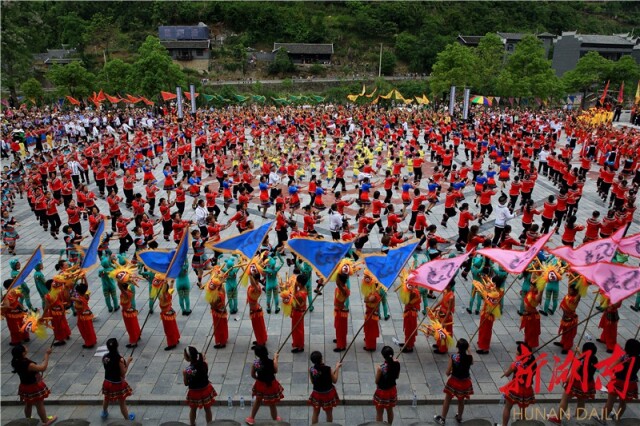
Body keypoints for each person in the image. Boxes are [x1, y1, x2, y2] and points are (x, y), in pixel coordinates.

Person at [548, 342, 598, 425]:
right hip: (588, 383)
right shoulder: (594, 359)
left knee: (565, 399)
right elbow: (587, 359)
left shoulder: (580, 361)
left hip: (576, 383)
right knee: (581, 401)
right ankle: (576, 418)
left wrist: (566, 380)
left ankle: (558, 419)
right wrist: (579, 352)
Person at [11, 344, 56, 425]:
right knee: (39, 404)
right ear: (23, 353)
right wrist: (47, 355)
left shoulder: (16, 361)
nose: (25, 346)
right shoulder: (29, 365)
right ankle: (45, 421)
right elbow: (43, 368)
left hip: (24, 386)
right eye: (24, 348)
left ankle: (28, 420)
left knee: (28, 404)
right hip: (33, 387)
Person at [435, 338, 474, 425]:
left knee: (447, 399)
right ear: (466, 347)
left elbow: (447, 373)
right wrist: (469, 351)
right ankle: (459, 417)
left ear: (457, 347)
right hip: (465, 382)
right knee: (461, 401)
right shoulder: (469, 358)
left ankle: (443, 418)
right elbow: (472, 362)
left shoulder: (453, 357)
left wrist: (452, 370)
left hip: (454, 381)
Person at [602, 338, 640, 422]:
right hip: (630, 383)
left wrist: (619, 358)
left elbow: (611, 367)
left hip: (618, 382)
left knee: (610, 402)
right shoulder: (638, 358)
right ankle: (618, 418)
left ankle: (603, 419)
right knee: (623, 403)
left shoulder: (624, 358)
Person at [500, 342, 537, 426]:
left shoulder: (516, 364)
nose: (516, 354)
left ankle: (504, 425)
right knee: (522, 409)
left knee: (507, 407)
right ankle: (522, 423)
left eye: (517, 352)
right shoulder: (533, 362)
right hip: (527, 389)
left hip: (515, 388)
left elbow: (507, 374)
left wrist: (506, 372)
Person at [246, 345, 284, 425]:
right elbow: (275, 370)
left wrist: (257, 379)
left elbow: (252, 374)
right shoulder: (271, 362)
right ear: (266, 352)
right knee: (272, 403)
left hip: (260, 384)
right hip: (270, 385)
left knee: (258, 401)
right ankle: (275, 419)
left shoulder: (256, 363)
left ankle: (251, 418)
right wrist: (276, 358)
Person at [101, 338, 135, 420]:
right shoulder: (120, 359)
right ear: (117, 346)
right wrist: (128, 362)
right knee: (122, 403)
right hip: (117, 384)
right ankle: (127, 418)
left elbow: (108, 368)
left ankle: (104, 412)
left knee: (106, 398)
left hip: (107, 381)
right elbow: (123, 373)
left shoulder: (105, 357)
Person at [183, 346, 217, 426]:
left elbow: (186, 384)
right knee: (208, 409)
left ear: (188, 358)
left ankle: (192, 424)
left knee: (193, 409)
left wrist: (184, 375)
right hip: (206, 390)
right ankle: (209, 424)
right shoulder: (204, 364)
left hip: (194, 393)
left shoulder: (187, 370)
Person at [308, 351, 342, 424]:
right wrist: (337, 367)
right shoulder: (328, 369)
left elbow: (312, 382)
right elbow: (335, 380)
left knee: (315, 412)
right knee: (329, 413)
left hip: (317, 393)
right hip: (328, 394)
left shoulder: (311, 369)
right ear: (321, 359)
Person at [374, 346, 400, 424]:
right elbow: (397, 377)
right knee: (390, 410)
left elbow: (376, 381)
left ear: (383, 356)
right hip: (392, 390)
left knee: (379, 412)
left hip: (382, 392)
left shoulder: (380, 368)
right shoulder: (397, 364)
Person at [71, 280, 97, 349]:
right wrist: (84, 278)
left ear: (78, 292)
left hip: (83, 317)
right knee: (89, 328)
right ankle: (92, 340)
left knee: (85, 330)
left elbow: (70, 298)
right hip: (86, 315)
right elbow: (86, 286)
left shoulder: (79, 299)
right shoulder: (86, 295)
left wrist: (71, 294)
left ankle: (89, 343)